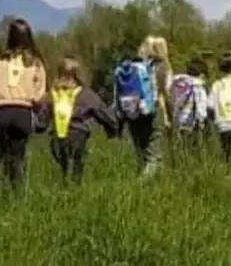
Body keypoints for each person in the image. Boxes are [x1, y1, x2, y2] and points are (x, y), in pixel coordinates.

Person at [0, 18, 47, 188]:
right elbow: (39, 93)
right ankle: (17, 191)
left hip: (1, 110)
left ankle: (0, 189)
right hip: (22, 111)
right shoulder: (35, 63)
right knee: (18, 155)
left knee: (2, 154)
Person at [39, 58, 118, 182]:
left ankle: (64, 189)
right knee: (76, 168)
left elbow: (42, 119)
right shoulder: (86, 94)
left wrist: (40, 127)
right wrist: (112, 129)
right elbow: (102, 112)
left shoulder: (52, 94)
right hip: (78, 134)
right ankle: (74, 193)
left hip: (57, 137)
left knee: (63, 170)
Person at [115, 36, 171, 178]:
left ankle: (151, 184)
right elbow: (163, 93)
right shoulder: (158, 67)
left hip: (132, 113)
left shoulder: (129, 67)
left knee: (141, 154)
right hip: (151, 112)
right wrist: (168, 116)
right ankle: (141, 186)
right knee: (154, 157)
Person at [169, 57, 211, 148]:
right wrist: (202, 123)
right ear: (202, 75)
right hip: (193, 123)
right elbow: (201, 108)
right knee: (194, 151)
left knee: (180, 150)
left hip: (177, 122)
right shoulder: (199, 86)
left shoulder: (177, 83)